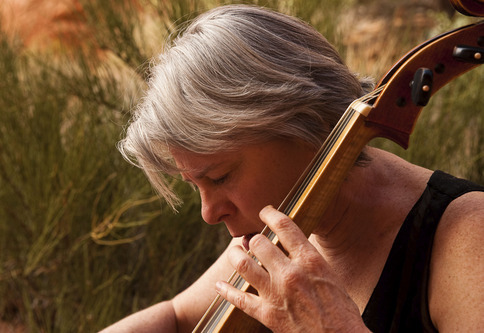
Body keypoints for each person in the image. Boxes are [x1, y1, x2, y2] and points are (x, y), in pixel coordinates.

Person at [101, 4, 484, 332]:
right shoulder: (284, 228)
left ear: (303, 124)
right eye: (194, 184)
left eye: (219, 177)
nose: (209, 212)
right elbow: (175, 318)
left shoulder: (468, 236)